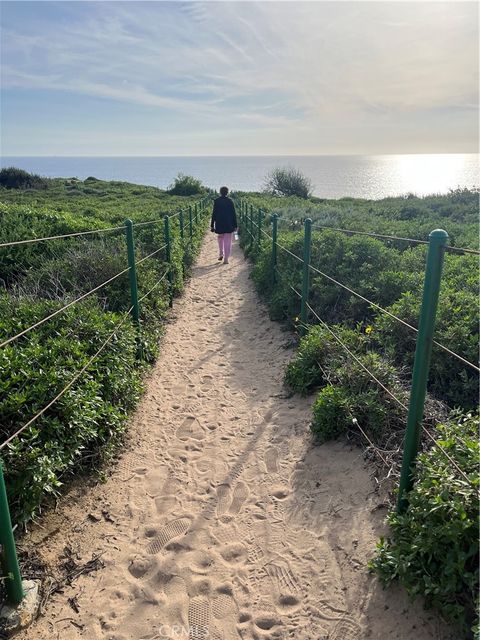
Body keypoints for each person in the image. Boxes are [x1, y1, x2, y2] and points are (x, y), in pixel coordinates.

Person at [210, 186, 237, 264]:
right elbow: (233, 214)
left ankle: (221, 253)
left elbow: (214, 214)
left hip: (219, 223)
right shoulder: (230, 201)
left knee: (220, 238)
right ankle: (226, 258)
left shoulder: (216, 201)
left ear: (220, 192)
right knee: (228, 241)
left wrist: (212, 225)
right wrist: (235, 225)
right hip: (229, 223)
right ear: (227, 192)